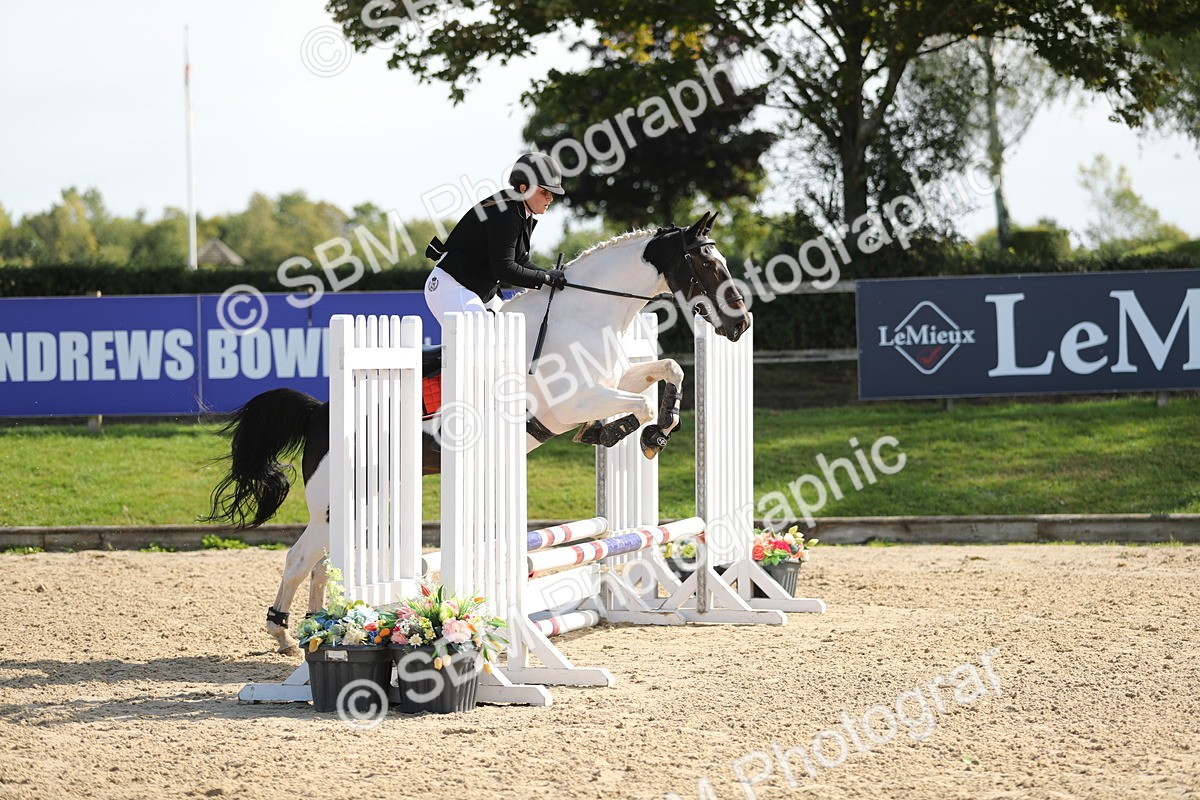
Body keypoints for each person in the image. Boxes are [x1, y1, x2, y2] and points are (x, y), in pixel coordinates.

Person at [424, 153, 568, 322]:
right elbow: (505, 269)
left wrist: (550, 276)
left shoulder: (523, 212)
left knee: (509, 334)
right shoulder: (506, 212)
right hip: (452, 286)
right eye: (544, 191)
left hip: (481, 291)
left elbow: (520, 261)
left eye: (551, 193)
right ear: (524, 188)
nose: (550, 198)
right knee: (479, 336)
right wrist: (544, 278)